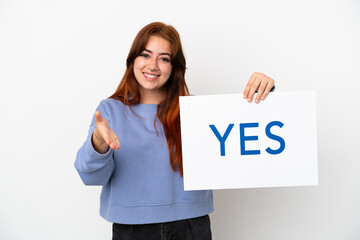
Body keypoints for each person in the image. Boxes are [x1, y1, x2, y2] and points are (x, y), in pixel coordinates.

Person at [74, 22, 275, 240]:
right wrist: (99, 143)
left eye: (164, 58)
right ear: (132, 60)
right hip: (132, 229)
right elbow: (90, 176)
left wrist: (265, 89)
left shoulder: (196, 110)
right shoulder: (109, 110)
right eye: (145, 55)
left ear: (174, 67)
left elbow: (246, 131)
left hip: (191, 226)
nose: (153, 65)